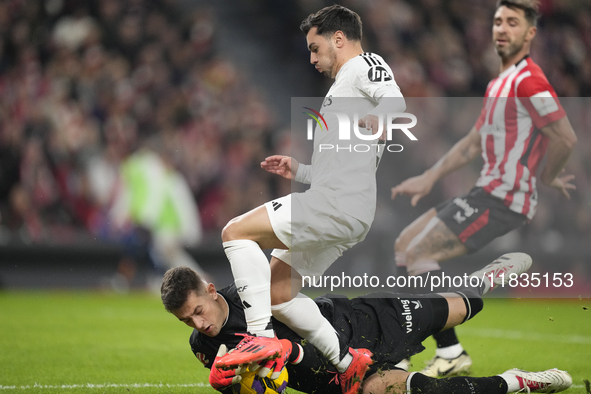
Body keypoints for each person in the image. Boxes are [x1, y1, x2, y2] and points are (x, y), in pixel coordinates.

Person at [217, 5, 405, 393]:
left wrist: (382, 119)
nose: (312, 57)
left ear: (339, 39)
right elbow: (344, 164)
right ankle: (347, 363)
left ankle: (260, 338)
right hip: (344, 207)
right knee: (279, 293)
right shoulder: (343, 89)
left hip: (335, 204)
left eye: (315, 47)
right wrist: (299, 171)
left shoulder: (363, 65)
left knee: (235, 232)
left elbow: (395, 100)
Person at [390, 0, 578, 378]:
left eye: (512, 22)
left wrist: (545, 174)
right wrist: (428, 176)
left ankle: (443, 349)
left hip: (505, 198)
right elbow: (473, 143)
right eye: (497, 22)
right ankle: (434, 348)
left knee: (420, 251)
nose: (502, 29)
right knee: (404, 245)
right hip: (484, 191)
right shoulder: (498, 84)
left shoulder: (529, 81)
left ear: (530, 33)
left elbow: (564, 137)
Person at [160, 253, 573, 394]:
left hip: (360, 324)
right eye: (187, 321)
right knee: (416, 391)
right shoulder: (203, 347)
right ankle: (518, 382)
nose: (200, 323)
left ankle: (486, 277)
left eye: (199, 310)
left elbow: (296, 328)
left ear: (211, 290)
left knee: (464, 306)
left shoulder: (253, 293)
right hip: (335, 378)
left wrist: (284, 353)